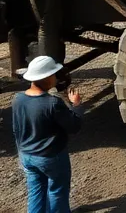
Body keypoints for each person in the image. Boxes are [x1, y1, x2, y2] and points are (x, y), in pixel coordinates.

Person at [11, 56, 83, 213]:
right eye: (53, 74)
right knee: (57, 191)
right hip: (51, 157)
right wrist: (76, 105)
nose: (55, 78)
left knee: (36, 192)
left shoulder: (17, 99)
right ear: (47, 78)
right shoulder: (52, 103)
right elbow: (74, 126)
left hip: (27, 156)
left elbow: (16, 129)